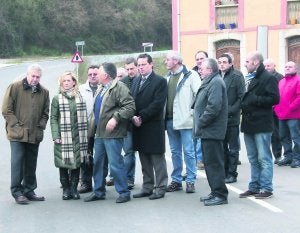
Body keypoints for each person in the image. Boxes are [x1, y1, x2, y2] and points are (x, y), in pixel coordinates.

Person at [84, 62, 135, 203]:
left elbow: (130, 107)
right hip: (100, 133)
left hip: (113, 134)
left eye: (99, 72)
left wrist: (115, 118)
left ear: (105, 75)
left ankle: (124, 192)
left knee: (115, 163)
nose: (96, 75)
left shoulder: (119, 87)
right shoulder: (101, 88)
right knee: (99, 163)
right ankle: (99, 191)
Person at [2, 64, 50, 204]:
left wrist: (41, 125)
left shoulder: (44, 92)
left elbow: (45, 113)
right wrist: (16, 125)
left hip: (34, 133)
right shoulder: (14, 87)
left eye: (38, 77)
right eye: (33, 76)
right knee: (17, 162)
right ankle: (17, 192)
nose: (35, 79)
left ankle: (29, 190)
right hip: (17, 134)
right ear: (27, 75)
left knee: (31, 163)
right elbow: (6, 110)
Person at [239, 51, 279, 199]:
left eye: (248, 62)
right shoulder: (248, 77)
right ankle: (254, 186)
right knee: (253, 158)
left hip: (262, 123)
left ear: (256, 62)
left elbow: (275, 99)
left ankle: (267, 188)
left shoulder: (268, 77)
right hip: (249, 123)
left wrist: (253, 99)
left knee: (264, 158)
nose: (245, 64)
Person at [131, 53, 168, 200]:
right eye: (139, 65)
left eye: (143, 64)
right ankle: (147, 186)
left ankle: (160, 187)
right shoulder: (136, 81)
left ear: (151, 64)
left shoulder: (160, 81)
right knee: (144, 157)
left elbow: (158, 104)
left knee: (157, 159)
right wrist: (133, 117)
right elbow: (131, 101)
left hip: (152, 125)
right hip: (138, 126)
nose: (140, 67)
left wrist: (142, 117)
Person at [192, 58, 228, 206]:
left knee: (214, 164)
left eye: (203, 68)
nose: (200, 70)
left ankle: (220, 194)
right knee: (210, 163)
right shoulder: (211, 81)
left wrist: (200, 122)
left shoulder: (216, 82)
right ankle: (215, 192)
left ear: (210, 70)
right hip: (208, 131)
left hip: (212, 130)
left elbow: (213, 107)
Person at [164, 50, 201, 193]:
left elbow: (199, 95)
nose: (165, 62)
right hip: (170, 120)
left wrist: (191, 113)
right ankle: (176, 180)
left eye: (167, 59)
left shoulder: (191, 75)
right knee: (175, 152)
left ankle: (191, 180)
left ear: (175, 61)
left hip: (186, 120)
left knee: (189, 151)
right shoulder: (167, 77)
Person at [50, 72, 89, 200]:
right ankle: (66, 190)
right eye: (64, 81)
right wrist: (56, 135)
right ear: (61, 84)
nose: (66, 83)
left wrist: (86, 135)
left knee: (76, 164)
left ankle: (74, 189)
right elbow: (54, 118)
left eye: (68, 80)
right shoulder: (57, 98)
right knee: (63, 164)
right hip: (63, 137)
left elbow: (85, 119)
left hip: (78, 137)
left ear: (74, 82)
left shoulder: (80, 97)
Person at [218, 53, 245, 183]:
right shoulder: (217, 75)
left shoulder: (237, 76)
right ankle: (224, 171)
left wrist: (230, 110)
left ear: (230, 63)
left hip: (232, 118)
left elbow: (241, 97)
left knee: (233, 148)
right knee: (222, 147)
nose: (222, 64)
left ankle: (232, 174)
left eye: (224, 62)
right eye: (220, 62)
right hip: (219, 120)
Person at [78, 65, 99, 194]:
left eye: (95, 74)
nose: (92, 76)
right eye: (90, 74)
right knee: (86, 157)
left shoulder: (104, 88)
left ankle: (99, 182)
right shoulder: (81, 89)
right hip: (86, 128)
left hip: (102, 128)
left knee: (101, 157)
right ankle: (86, 182)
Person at [274, 61, 300, 168]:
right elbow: (277, 96)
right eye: (286, 67)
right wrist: (275, 107)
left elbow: (299, 97)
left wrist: (290, 107)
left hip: (294, 115)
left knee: (295, 137)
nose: (288, 68)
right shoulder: (281, 81)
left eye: (290, 67)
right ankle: (288, 156)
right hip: (281, 114)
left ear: (295, 69)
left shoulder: (298, 80)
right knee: (283, 137)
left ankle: (297, 158)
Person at [119, 57, 140, 189]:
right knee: (128, 152)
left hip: (142, 121)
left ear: (137, 67)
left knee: (145, 153)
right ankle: (128, 178)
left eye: (132, 68)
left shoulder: (142, 80)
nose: (130, 71)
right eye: (127, 69)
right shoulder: (122, 83)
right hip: (127, 123)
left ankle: (149, 179)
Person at [263, 59, 284, 164]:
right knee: (267, 134)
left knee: (276, 133)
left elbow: (281, 93)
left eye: (269, 66)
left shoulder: (280, 77)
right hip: (266, 109)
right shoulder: (263, 78)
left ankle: (278, 155)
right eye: (265, 66)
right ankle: (266, 156)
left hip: (277, 109)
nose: (267, 68)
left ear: (274, 65)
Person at [192, 50, 208, 170]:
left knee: (200, 137)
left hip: (205, 110)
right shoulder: (192, 73)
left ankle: (200, 159)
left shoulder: (210, 73)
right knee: (194, 137)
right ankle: (195, 160)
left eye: (201, 58)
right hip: (194, 110)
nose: (199, 61)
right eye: (197, 59)